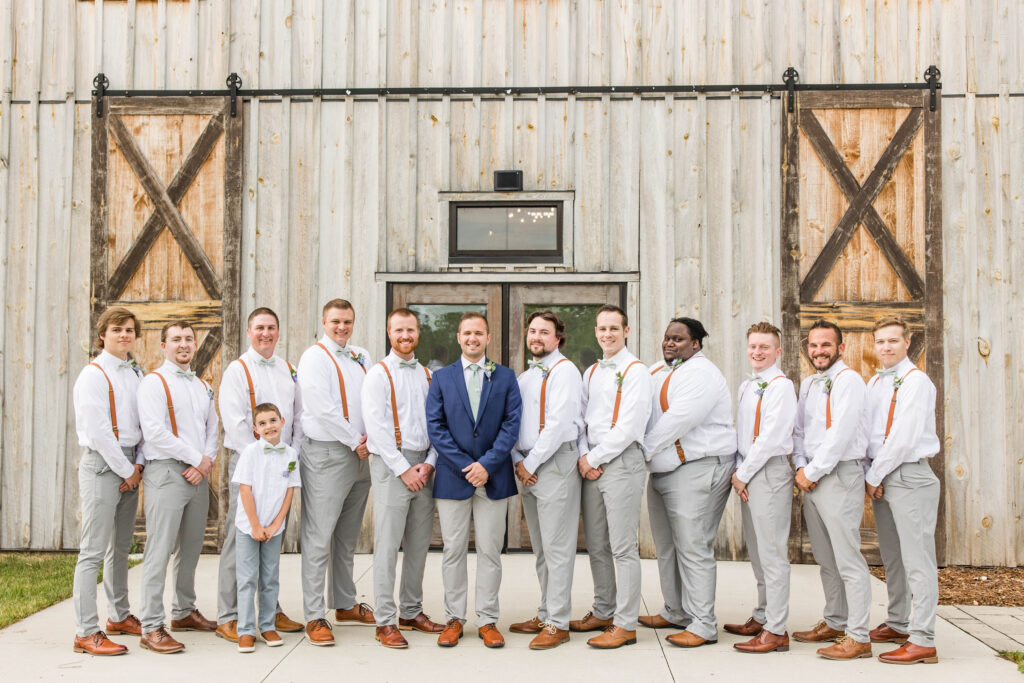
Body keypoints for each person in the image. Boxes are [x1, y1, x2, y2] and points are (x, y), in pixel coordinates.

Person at [426, 312, 522, 649]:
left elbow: (511, 426)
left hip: (494, 478)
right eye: (467, 333)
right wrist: (469, 466)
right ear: (458, 337)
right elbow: (435, 428)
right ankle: (454, 618)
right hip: (454, 477)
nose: (472, 338)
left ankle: (488, 619)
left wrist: (488, 465)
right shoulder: (441, 378)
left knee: (490, 551)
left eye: (478, 333)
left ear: (488, 337)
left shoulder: (506, 377)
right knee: (452, 549)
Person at [639, 318, 736, 649]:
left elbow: (676, 421)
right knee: (666, 546)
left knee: (693, 546)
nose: (670, 343)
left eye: (678, 339)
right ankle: (676, 610)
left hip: (699, 467)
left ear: (696, 344)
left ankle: (704, 624)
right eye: (667, 337)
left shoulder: (702, 374)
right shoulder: (658, 371)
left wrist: (639, 453)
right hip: (664, 470)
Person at [216, 307, 303, 642]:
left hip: (282, 466)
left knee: (270, 541)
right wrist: (261, 455)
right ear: (249, 331)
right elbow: (236, 422)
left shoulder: (287, 369)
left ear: (278, 332)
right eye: (259, 328)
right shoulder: (237, 370)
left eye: (271, 328)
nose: (266, 333)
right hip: (250, 464)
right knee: (239, 541)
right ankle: (229, 616)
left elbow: (296, 416)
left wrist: (289, 454)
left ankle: (270, 613)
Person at [362, 308, 444, 649]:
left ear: (418, 333)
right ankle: (385, 620)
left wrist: (429, 462)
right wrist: (403, 468)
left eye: (410, 329)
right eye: (399, 330)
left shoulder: (427, 375)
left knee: (418, 544)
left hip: (424, 465)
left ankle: (411, 610)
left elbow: (438, 424)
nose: (405, 335)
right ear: (388, 331)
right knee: (388, 545)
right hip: (391, 463)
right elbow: (376, 428)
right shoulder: (377, 375)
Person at [570, 305, 652, 649]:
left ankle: (625, 623)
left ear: (626, 331)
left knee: (622, 547)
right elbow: (583, 420)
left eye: (613, 329)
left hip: (620, 461)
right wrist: (583, 456)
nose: (607, 334)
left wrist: (595, 457)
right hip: (591, 461)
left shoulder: (636, 371)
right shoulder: (591, 372)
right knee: (597, 544)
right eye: (602, 329)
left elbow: (631, 426)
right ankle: (603, 609)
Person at [791, 319, 873, 660]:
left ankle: (859, 635)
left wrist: (812, 471)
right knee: (825, 557)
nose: (818, 351)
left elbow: (841, 433)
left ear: (841, 348)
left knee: (848, 558)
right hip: (810, 477)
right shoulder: (809, 384)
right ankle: (836, 621)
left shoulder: (849, 380)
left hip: (838, 475)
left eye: (826, 345)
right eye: (813, 345)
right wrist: (799, 466)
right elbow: (798, 430)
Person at [861, 316, 941, 665]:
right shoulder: (875, 383)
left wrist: (874, 476)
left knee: (918, 559)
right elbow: (868, 432)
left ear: (907, 343)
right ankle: (898, 622)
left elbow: (904, 436)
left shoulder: (916, 381)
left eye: (893, 340)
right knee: (892, 556)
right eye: (880, 341)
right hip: (883, 476)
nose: (886, 347)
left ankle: (923, 639)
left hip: (909, 476)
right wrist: (871, 472)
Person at [137, 321, 219, 654]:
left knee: (190, 547)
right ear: (163, 346)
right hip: (167, 473)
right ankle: (151, 625)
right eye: (176, 339)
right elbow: (155, 433)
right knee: (159, 550)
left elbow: (212, 427)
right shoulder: (153, 383)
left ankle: (183, 611)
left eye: (188, 339)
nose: (183, 344)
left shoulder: (201, 384)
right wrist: (195, 458)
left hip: (198, 477)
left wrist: (206, 461)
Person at [297, 299, 376, 646]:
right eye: (335, 321)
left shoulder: (361, 355)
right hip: (329, 453)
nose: (341, 327)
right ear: (323, 322)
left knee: (347, 536)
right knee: (318, 536)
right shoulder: (314, 357)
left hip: (362, 454)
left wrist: (371, 439)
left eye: (347, 321)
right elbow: (322, 407)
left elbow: (374, 399)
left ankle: (344, 603)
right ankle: (315, 615)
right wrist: (353, 440)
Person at [71, 307, 146, 656]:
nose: (124, 335)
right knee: (93, 551)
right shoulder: (93, 375)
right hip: (105, 464)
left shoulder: (135, 372)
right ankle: (86, 630)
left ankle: (118, 615)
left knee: (120, 548)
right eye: (117, 329)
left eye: (130, 330)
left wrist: (139, 464)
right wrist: (126, 469)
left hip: (130, 461)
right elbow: (100, 432)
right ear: (103, 334)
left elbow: (145, 422)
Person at [508, 310, 583, 650]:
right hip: (528, 463)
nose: (536, 337)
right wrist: (518, 460)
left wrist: (531, 462)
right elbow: (512, 425)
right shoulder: (525, 377)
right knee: (540, 547)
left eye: (544, 332)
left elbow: (557, 423)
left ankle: (558, 622)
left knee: (558, 547)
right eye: (533, 331)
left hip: (554, 462)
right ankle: (545, 611)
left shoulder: (564, 371)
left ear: (557, 338)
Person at [728, 321, 796, 654]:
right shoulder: (746, 385)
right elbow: (742, 434)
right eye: (753, 346)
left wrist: (744, 473)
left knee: (772, 554)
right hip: (748, 470)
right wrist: (740, 471)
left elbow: (769, 438)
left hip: (768, 471)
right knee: (757, 552)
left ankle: (776, 630)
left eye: (765, 347)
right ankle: (763, 613)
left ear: (777, 351)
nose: (757, 352)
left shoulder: (781, 386)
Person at [232, 403, 301, 653]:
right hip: (248, 526)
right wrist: (255, 525)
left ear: (282, 421)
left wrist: (275, 523)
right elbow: (245, 489)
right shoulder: (250, 453)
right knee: (248, 578)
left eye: (273, 420)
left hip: (274, 527)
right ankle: (246, 630)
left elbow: (290, 490)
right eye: (262, 423)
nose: (269, 426)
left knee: (270, 578)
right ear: (255, 429)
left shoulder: (291, 455)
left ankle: (268, 624)